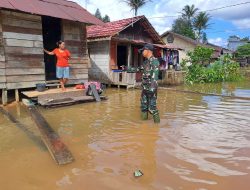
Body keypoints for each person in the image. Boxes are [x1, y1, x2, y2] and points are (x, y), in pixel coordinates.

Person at [138, 44, 160, 123]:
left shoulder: (154, 61)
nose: (142, 52)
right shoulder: (145, 62)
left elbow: (155, 76)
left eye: (143, 50)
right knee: (143, 107)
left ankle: (157, 127)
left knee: (152, 108)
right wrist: (127, 68)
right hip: (144, 89)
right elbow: (138, 69)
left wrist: (152, 89)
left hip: (151, 90)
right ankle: (143, 126)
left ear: (148, 50)